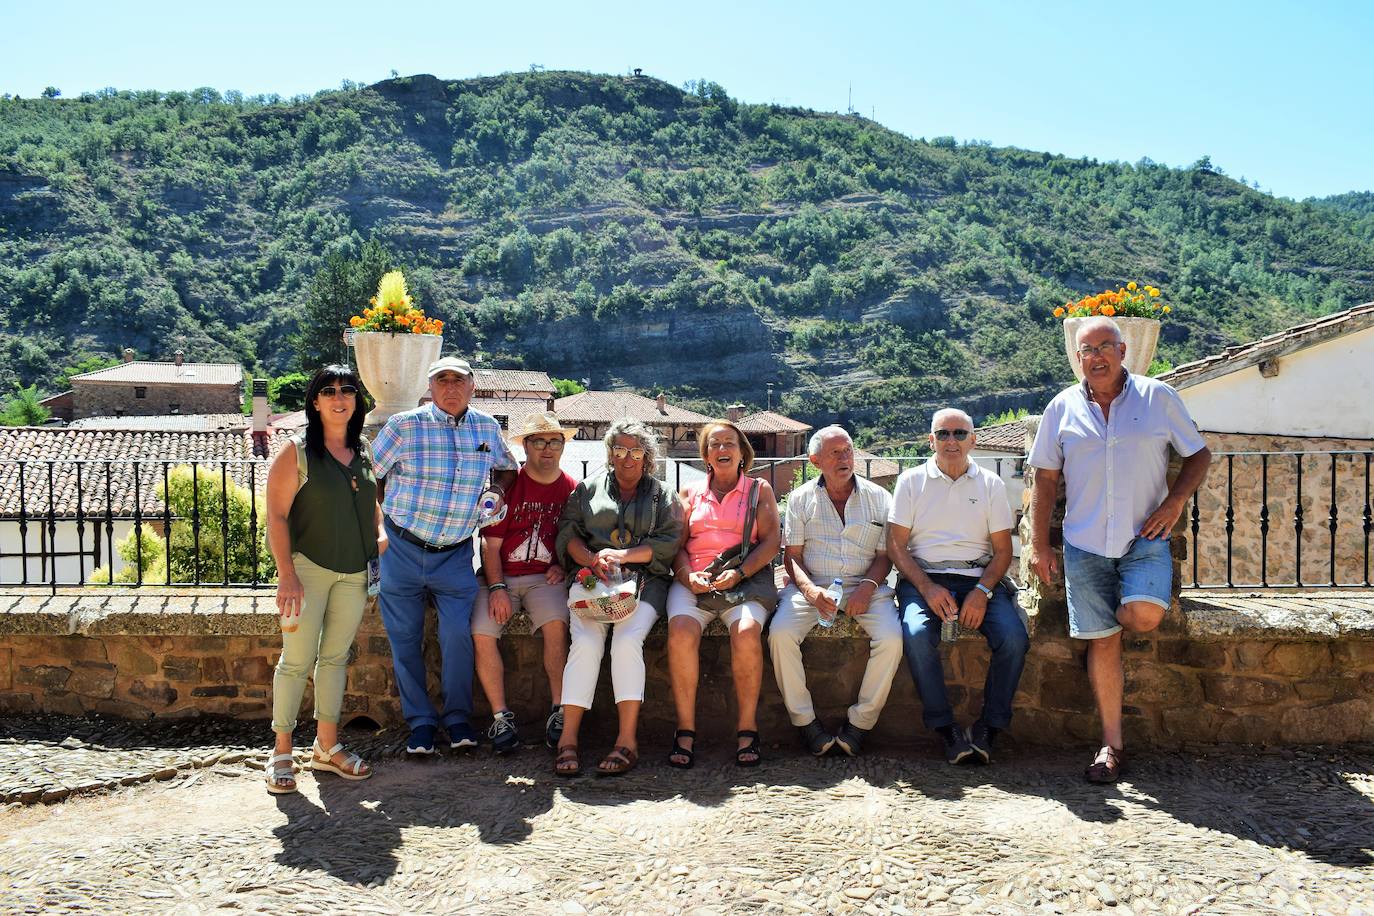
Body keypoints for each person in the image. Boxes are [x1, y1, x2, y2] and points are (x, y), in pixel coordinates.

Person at [1027, 316, 1211, 783]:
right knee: (1103, 642)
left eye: (1105, 347)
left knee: (1144, 615)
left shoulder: (1158, 398)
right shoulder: (1061, 407)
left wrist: (1174, 503)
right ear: (1078, 358)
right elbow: (1045, 479)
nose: (1096, 357)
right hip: (1083, 543)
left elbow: (1198, 454)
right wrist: (1040, 546)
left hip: (1144, 537)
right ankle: (1111, 746)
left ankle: (1120, 616)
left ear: (1123, 350)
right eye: (1087, 350)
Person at [371, 356, 518, 756]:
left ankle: (457, 719)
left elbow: (508, 468)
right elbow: (372, 476)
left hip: (455, 554)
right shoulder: (404, 426)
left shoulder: (487, 428)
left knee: (456, 637)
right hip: (401, 549)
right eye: (442, 380)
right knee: (405, 641)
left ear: (473, 387)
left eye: (459, 380)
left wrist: (499, 492)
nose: (450, 387)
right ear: (429, 388)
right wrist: (384, 522)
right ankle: (420, 723)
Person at [264, 366, 385, 793]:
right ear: (315, 402)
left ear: (356, 400)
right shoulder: (295, 453)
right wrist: (287, 576)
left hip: (355, 573)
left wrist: (381, 534)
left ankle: (326, 748)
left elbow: (373, 506)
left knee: (335, 659)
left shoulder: (365, 450)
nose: (339, 398)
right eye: (329, 391)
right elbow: (276, 517)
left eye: (348, 390)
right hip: (307, 571)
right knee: (295, 661)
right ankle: (281, 752)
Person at [889, 408, 1028, 765]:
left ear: (973, 439)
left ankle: (989, 728)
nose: (952, 441)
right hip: (923, 579)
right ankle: (945, 728)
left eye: (960, 434)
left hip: (978, 579)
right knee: (917, 635)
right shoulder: (911, 481)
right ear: (931, 440)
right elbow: (896, 546)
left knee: (1014, 638)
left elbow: (1002, 551)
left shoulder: (991, 485)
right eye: (944, 434)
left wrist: (981, 593)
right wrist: (927, 587)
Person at [553, 420, 681, 777]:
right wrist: (592, 560)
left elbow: (668, 544)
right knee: (586, 643)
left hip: (646, 583)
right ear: (610, 454)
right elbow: (569, 534)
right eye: (620, 450)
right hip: (593, 582)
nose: (627, 458)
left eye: (635, 451)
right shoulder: (586, 490)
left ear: (647, 456)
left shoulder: (663, 496)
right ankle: (568, 739)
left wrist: (622, 556)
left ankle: (627, 741)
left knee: (626, 642)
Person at [768, 425, 903, 757]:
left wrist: (867, 589)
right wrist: (813, 593)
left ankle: (859, 725)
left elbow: (886, 556)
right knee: (780, 633)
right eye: (835, 453)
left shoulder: (879, 497)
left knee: (892, 639)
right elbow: (792, 557)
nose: (845, 458)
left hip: (866, 586)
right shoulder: (801, 499)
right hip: (813, 586)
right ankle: (806, 724)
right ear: (816, 461)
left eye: (848, 451)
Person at [666, 420, 780, 769]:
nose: (722, 450)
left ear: (742, 451)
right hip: (696, 580)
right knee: (681, 632)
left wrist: (741, 573)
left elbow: (772, 541)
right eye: (714, 445)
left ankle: (747, 728)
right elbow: (676, 545)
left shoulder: (759, 491)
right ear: (706, 455)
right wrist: (687, 576)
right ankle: (685, 729)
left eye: (729, 443)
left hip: (745, 580)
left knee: (746, 633)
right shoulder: (688, 494)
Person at [472, 411, 577, 754]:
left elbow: (574, 536)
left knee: (557, 625)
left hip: (543, 576)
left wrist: (562, 565)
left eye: (554, 441)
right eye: (538, 441)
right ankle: (501, 716)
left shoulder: (571, 489)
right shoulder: (510, 486)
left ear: (562, 446)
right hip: (499, 575)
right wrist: (497, 587)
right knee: (482, 632)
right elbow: (491, 544)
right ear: (526, 446)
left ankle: (559, 709)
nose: (547, 449)